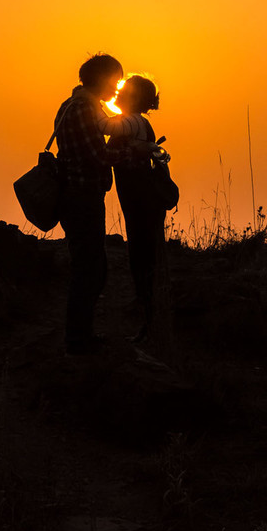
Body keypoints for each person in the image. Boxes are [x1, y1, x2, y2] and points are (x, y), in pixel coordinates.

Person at [54, 53, 125, 355]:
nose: (117, 88)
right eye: (115, 81)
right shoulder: (85, 109)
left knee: (90, 266)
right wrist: (128, 152)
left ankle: (81, 335)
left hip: (77, 195)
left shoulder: (72, 105)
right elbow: (96, 156)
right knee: (90, 269)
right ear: (101, 79)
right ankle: (78, 340)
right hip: (82, 196)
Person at [105, 74, 169, 338]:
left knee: (142, 256)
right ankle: (151, 317)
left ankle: (149, 321)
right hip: (142, 198)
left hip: (140, 198)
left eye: (123, 91)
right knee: (146, 254)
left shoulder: (130, 123)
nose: (117, 94)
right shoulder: (138, 123)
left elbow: (104, 133)